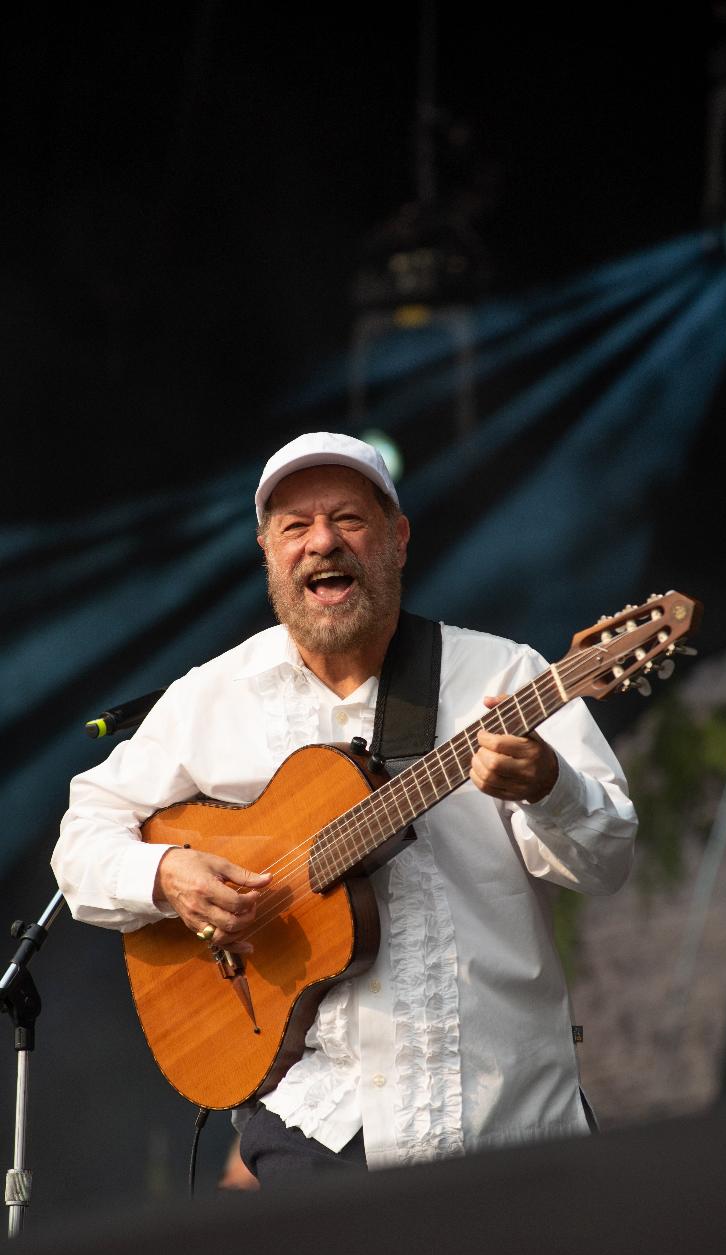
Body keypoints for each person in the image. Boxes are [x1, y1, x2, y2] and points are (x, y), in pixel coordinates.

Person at [51, 431, 638, 1187]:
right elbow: (81, 835)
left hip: (511, 1123)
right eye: (295, 526)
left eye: (349, 519)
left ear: (396, 539)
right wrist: (168, 875)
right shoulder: (211, 697)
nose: (322, 541)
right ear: (268, 551)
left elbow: (609, 859)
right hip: (322, 1133)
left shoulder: (503, 675)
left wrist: (549, 783)